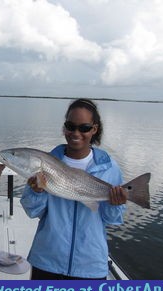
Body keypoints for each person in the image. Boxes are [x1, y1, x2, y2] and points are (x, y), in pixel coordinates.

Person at [21, 98, 127, 280]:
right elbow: (33, 211)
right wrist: (36, 192)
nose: (76, 132)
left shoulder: (109, 168)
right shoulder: (45, 163)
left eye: (84, 128)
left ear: (94, 129)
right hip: (47, 260)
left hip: (90, 265)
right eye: (70, 126)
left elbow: (112, 218)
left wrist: (116, 204)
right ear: (64, 128)